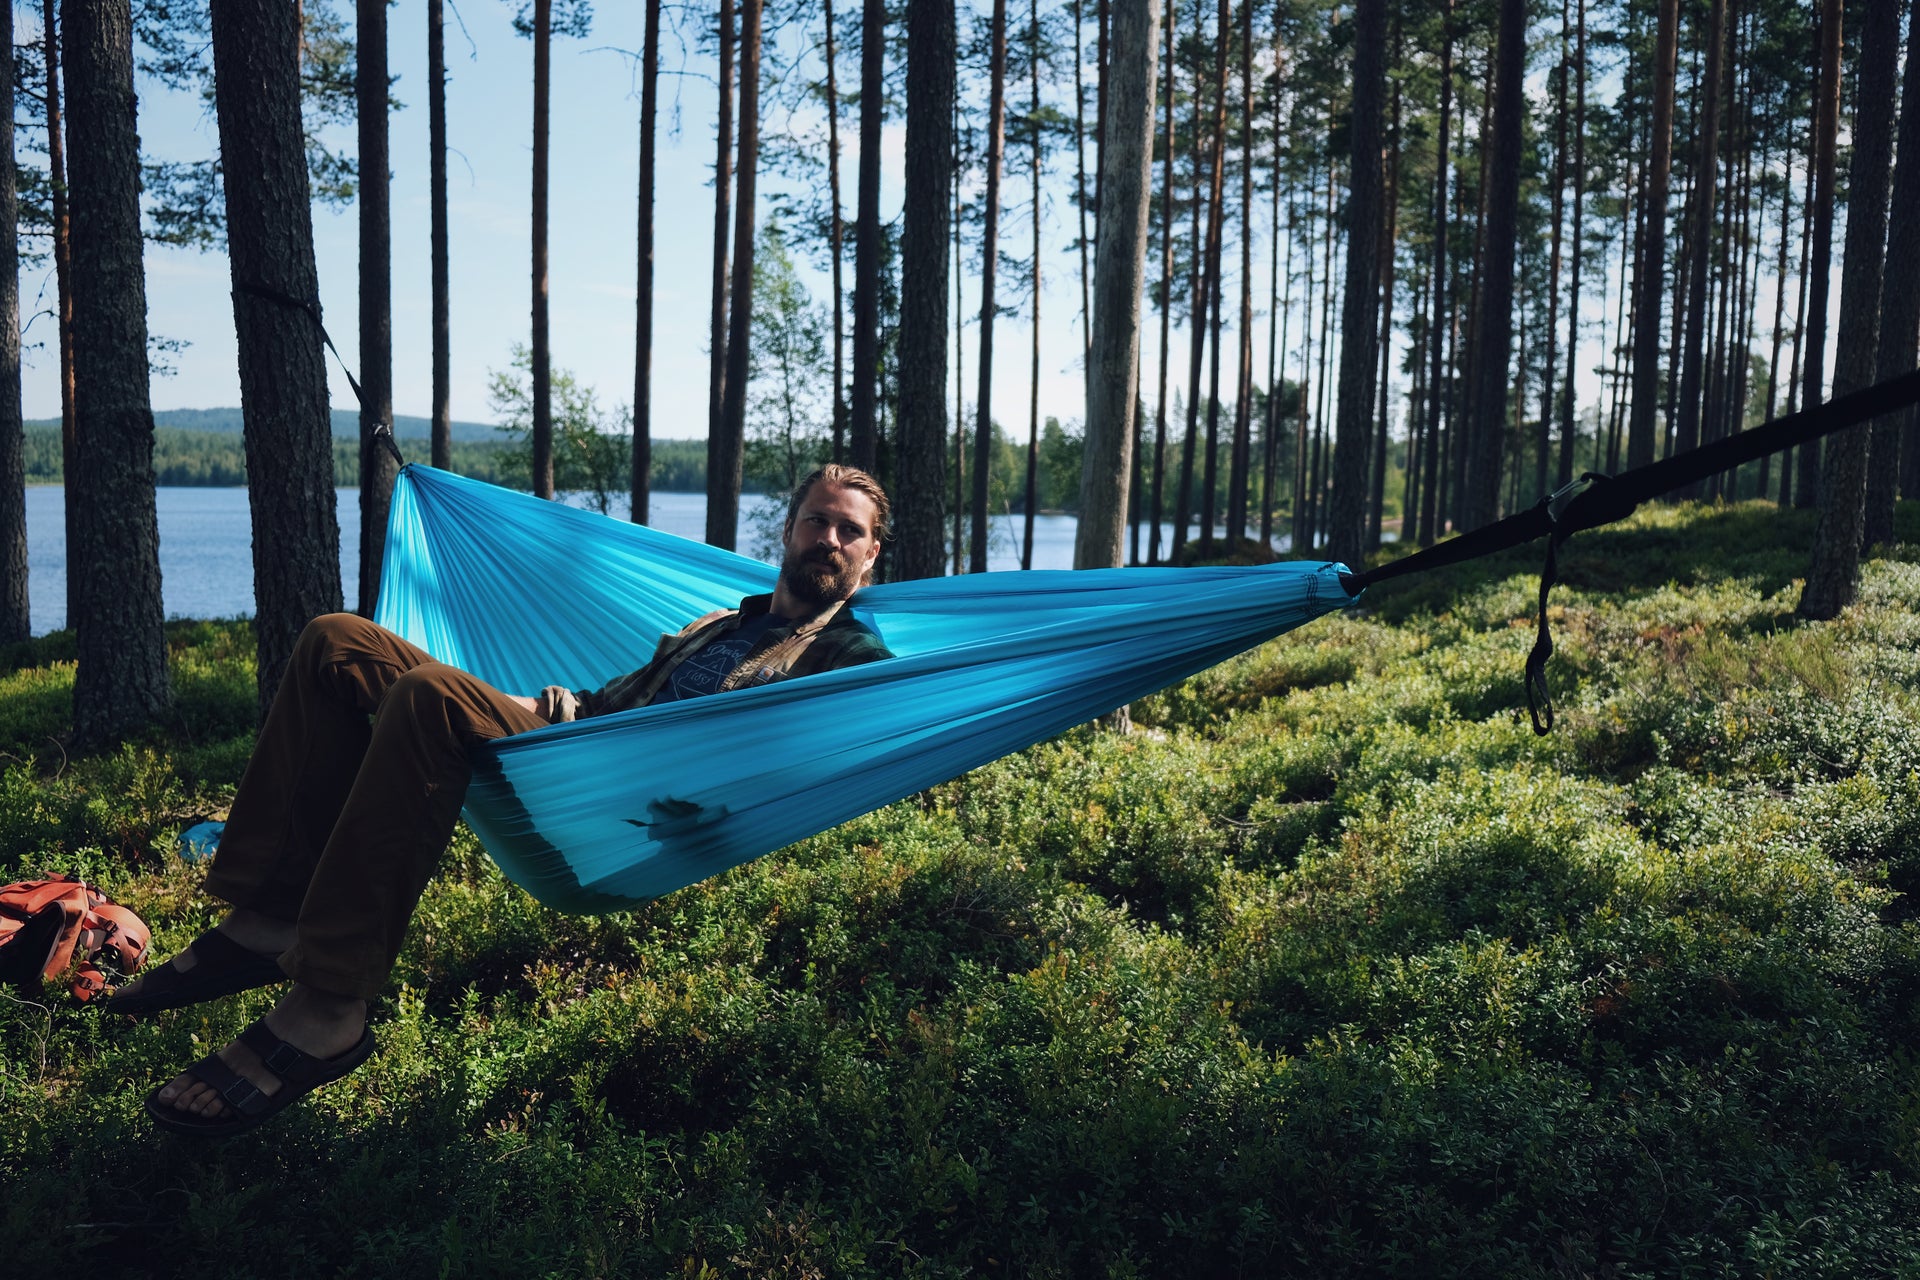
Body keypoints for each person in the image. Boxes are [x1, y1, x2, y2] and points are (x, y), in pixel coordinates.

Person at [124, 465, 893, 1135]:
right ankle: (268, 915)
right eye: (816, 520)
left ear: (870, 555)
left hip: (634, 802)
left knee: (429, 696)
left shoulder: (848, 656)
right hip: (574, 746)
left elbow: (846, 729)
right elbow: (602, 704)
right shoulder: (721, 622)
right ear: (789, 529)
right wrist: (503, 702)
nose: (828, 539)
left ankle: (329, 1004)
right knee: (337, 641)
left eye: (848, 531)